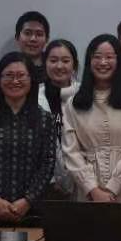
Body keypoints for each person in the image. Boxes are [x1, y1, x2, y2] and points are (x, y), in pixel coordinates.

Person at [61, 35, 121, 233]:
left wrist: (112, 188)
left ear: (119, 61)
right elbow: (71, 152)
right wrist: (93, 189)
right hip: (87, 189)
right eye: (97, 57)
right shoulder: (73, 103)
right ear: (89, 61)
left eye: (109, 57)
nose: (103, 62)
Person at [0, 53, 57, 226]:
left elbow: (48, 163)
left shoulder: (45, 119)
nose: (15, 81)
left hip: (31, 211)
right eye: (8, 75)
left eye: (21, 75)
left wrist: (27, 200)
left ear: (31, 80)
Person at [38, 38, 79, 200]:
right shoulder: (35, 97)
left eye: (66, 61)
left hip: (83, 181)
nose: (59, 66)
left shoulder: (85, 95)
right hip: (44, 184)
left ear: (74, 65)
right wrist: (51, 180)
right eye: (53, 60)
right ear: (45, 64)